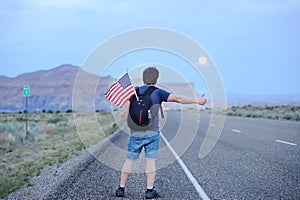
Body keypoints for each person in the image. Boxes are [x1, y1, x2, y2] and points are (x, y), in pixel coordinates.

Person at [116, 67, 207, 199]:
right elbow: (178, 98)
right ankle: (149, 191)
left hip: (135, 132)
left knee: (129, 160)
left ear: (144, 78)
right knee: (150, 161)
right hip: (152, 133)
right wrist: (196, 101)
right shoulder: (158, 93)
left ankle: (121, 189)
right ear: (156, 79)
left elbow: (126, 110)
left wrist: (132, 127)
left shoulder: (133, 91)